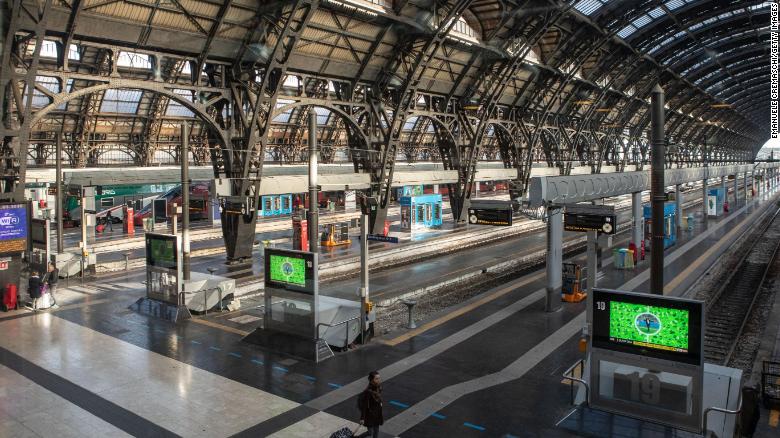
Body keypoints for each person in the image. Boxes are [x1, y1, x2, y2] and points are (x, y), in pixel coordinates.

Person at [357, 371, 383, 438]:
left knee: (376, 431)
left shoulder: (379, 387)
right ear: (372, 380)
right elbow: (364, 405)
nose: (379, 380)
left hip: (377, 413)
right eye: (376, 378)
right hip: (370, 415)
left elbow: (378, 397)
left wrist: (380, 403)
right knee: (370, 432)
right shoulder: (368, 391)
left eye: (379, 378)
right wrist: (362, 418)